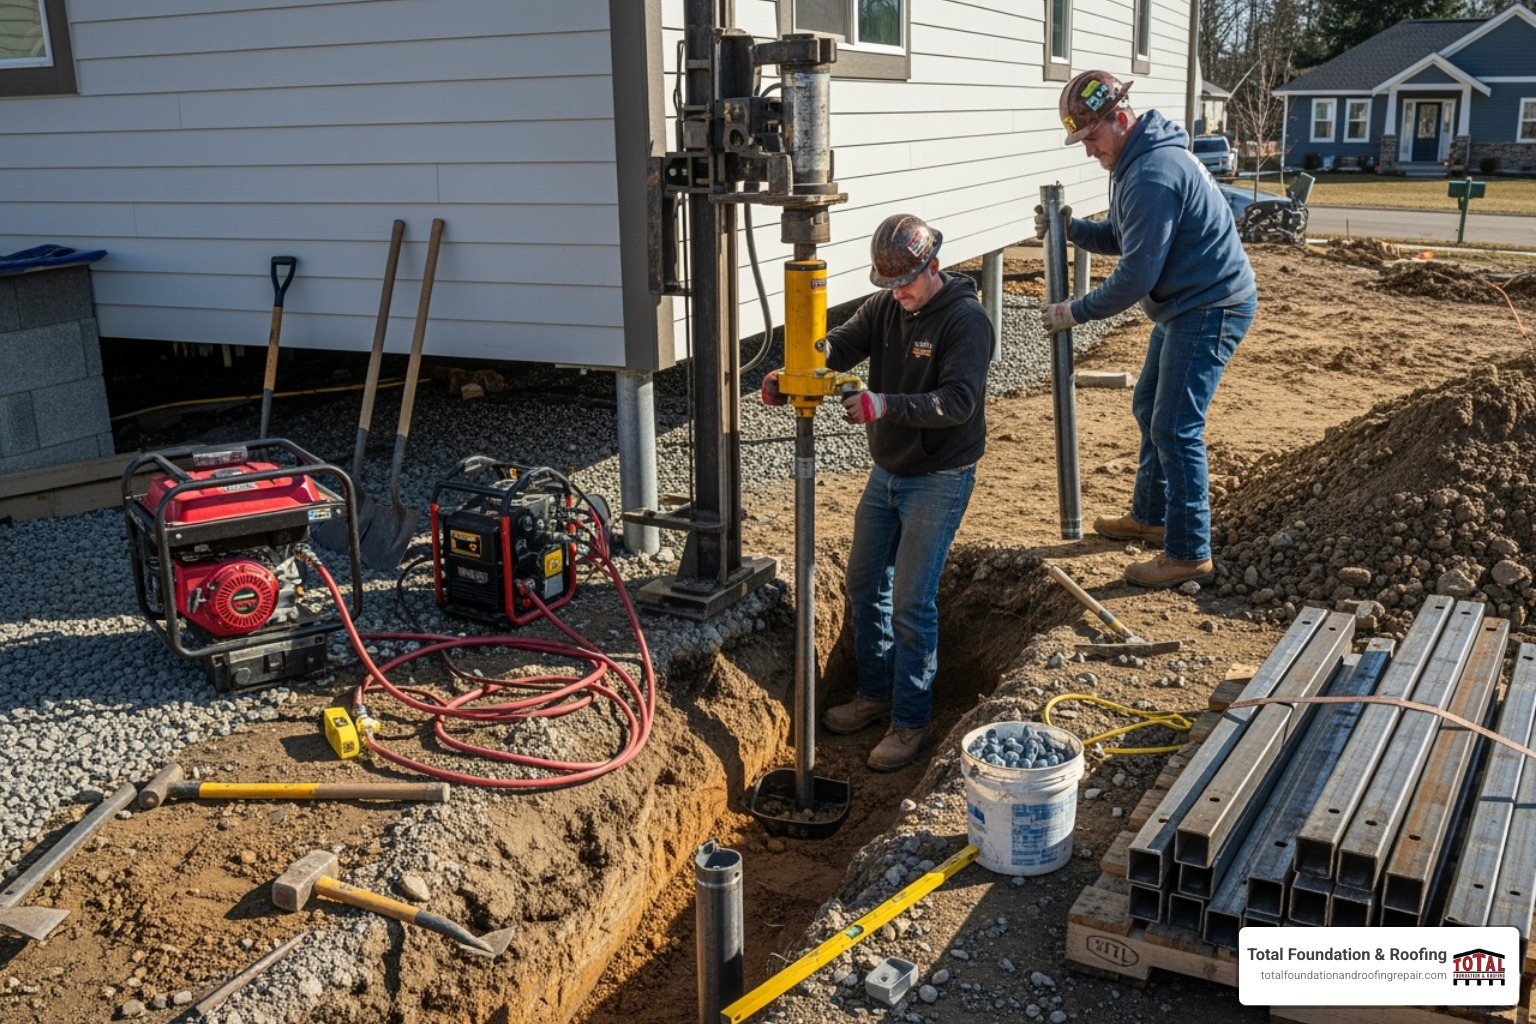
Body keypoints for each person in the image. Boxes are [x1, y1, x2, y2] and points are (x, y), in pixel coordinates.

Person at [761, 213, 992, 771]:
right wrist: (794, 371)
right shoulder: (889, 305)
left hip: (938, 477)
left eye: (906, 282)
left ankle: (911, 722)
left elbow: (959, 401)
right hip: (888, 471)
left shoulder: (966, 321)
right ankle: (874, 693)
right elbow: (839, 344)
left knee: (913, 602)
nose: (898, 294)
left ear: (932, 266)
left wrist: (884, 404)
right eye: (888, 285)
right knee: (865, 585)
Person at [1037, 70, 1257, 589]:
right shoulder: (1140, 161)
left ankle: (1187, 551)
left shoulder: (1153, 172)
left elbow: (1136, 276)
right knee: (1149, 407)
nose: (1089, 150)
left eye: (1091, 136)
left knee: (1176, 426)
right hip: (1188, 303)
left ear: (1120, 117)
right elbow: (1123, 236)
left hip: (1209, 306)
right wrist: (1071, 230)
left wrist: (1075, 311)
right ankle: (1153, 517)